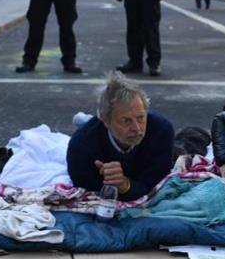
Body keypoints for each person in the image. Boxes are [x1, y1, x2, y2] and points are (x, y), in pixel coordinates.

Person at [66, 71, 175, 201]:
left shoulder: (161, 131)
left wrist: (125, 186)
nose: (137, 128)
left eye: (140, 118)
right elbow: (86, 192)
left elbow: (156, 185)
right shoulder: (81, 145)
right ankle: (86, 120)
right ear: (106, 120)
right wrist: (113, 184)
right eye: (126, 121)